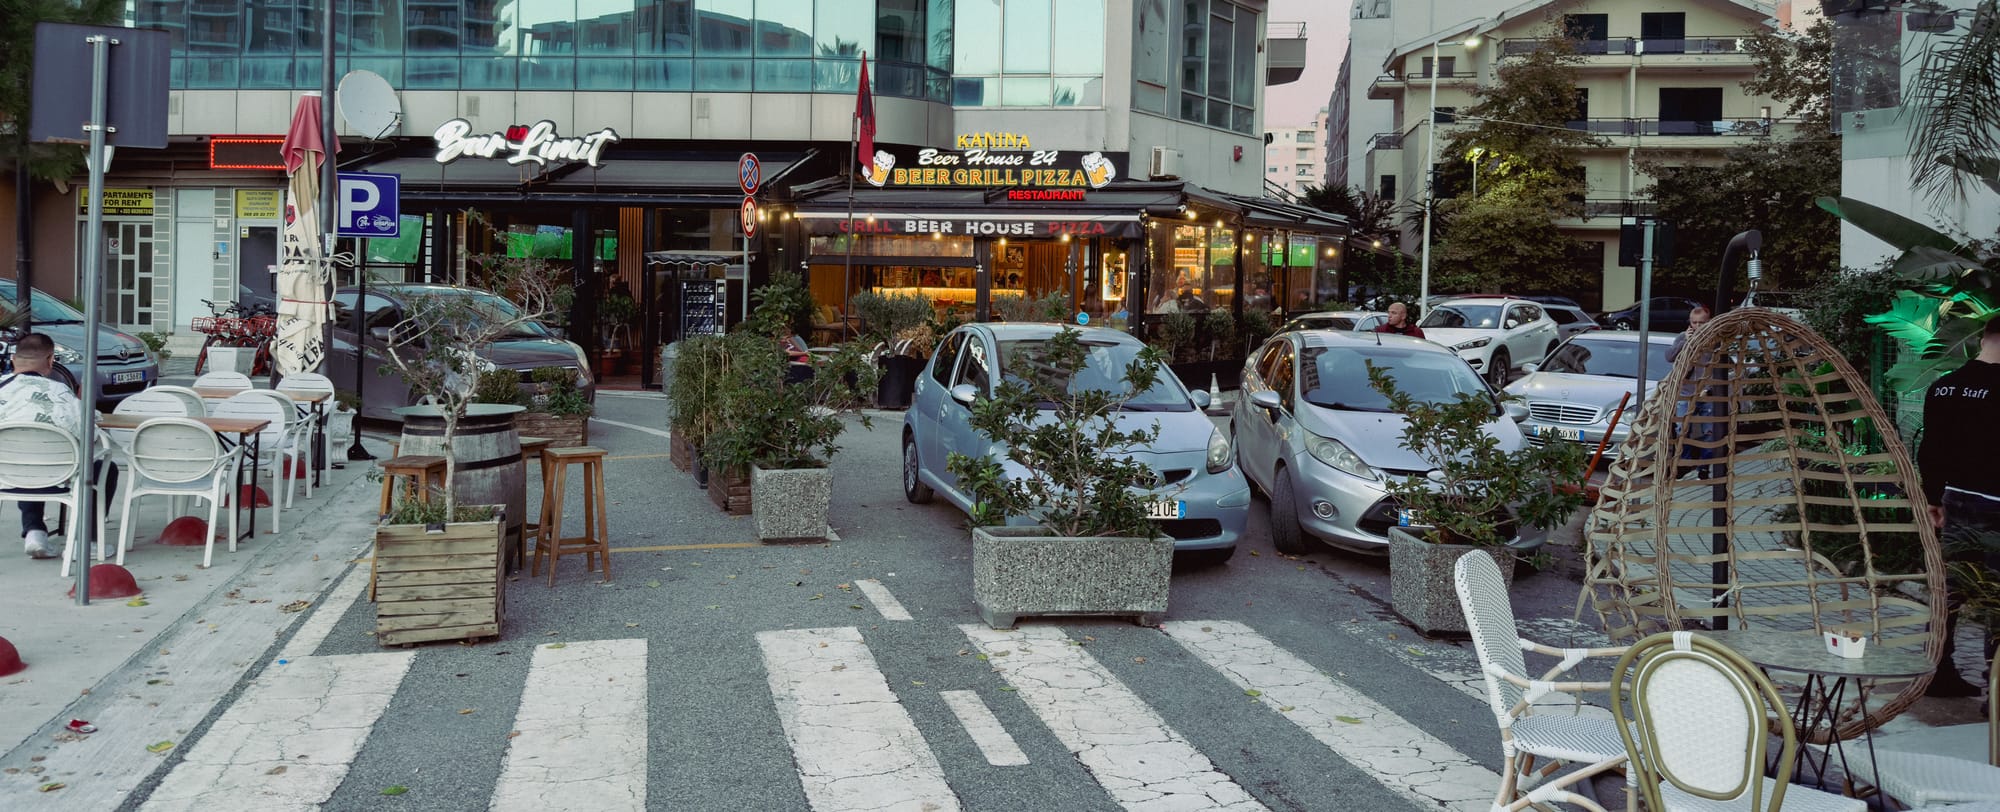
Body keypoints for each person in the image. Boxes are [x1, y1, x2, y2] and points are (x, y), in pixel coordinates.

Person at [1916, 316, 2000, 696]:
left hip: (1955, 499)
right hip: (1995, 503)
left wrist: (1933, 498)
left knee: (1950, 590)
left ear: (1982, 339)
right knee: (1996, 597)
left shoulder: (1943, 387)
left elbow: (1930, 449)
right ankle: (1996, 688)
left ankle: (1935, 670)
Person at [0, 333, 114, 559]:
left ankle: (34, 531)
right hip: (57, 474)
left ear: (13, 359)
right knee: (105, 468)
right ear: (51, 360)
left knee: (26, 460)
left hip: (7, 474)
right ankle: (86, 541)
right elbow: (89, 435)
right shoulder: (60, 393)